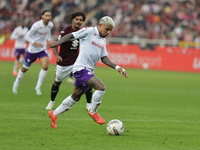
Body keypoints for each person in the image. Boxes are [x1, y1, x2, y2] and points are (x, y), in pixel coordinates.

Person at [47, 16, 128, 129]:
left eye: (110, 30)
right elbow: (71, 35)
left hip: (88, 70)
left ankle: (54, 114)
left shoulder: (102, 40)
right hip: (80, 69)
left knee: (75, 97)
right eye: (107, 29)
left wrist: (117, 67)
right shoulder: (89, 31)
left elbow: (104, 58)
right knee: (101, 87)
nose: (108, 32)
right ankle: (93, 111)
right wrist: (58, 42)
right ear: (100, 25)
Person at [45, 10, 92, 110]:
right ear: (73, 20)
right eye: (77, 19)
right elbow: (55, 44)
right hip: (64, 63)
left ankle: (89, 104)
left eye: (80, 20)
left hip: (77, 62)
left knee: (88, 80)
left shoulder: (83, 32)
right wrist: (57, 55)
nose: (79, 21)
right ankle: (52, 102)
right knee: (57, 83)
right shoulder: (65, 31)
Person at [12, 9, 54, 96]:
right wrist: (35, 43)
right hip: (32, 50)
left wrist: (49, 41)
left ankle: (38, 87)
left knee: (45, 66)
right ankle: (16, 83)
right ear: (42, 16)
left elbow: (48, 33)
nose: (48, 17)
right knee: (24, 68)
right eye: (46, 15)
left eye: (49, 16)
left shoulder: (50, 25)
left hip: (42, 49)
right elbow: (27, 36)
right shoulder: (36, 25)